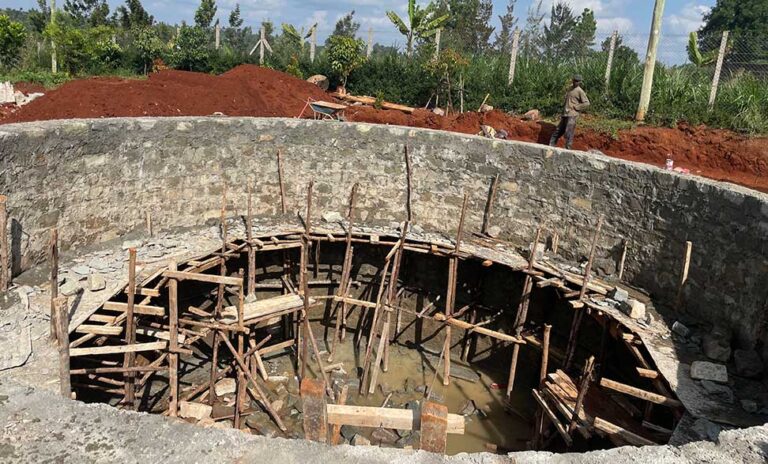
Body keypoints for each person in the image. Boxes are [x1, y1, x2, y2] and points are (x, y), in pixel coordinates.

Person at [549, 75, 590, 150]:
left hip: (572, 114)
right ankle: (551, 146)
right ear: (572, 80)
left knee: (569, 132)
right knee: (558, 130)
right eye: (574, 80)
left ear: (580, 82)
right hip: (565, 113)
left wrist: (577, 107)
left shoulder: (580, 91)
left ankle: (568, 149)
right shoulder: (570, 88)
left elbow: (586, 103)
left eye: (577, 81)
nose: (575, 82)